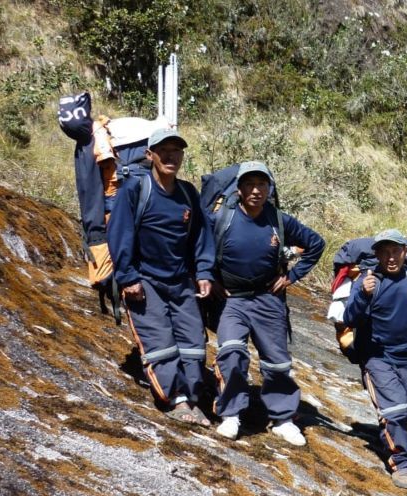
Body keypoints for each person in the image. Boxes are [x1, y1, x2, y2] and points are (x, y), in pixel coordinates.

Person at [210, 161, 326, 446]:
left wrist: (292, 276)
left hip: (268, 299)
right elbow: (198, 247)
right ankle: (231, 414)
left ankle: (283, 419)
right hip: (232, 300)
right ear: (238, 189)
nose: (255, 190)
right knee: (232, 354)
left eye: (262, 184)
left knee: (277, 364)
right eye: (249, 184)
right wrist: (208, 278)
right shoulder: (221, 218)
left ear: (269, 188)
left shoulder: (279, 220)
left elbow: (316, 244)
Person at [107, 128, 214, 426]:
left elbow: (201, 237)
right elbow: (120, 233)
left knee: (193, 342)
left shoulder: (187, 193)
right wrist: (128, 277)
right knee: (160, 342)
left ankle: (192, 399)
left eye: (176, 151)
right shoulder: (136, 190)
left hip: (180, 282)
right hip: (145, 281)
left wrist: (204, 271)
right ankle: (177, 400)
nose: (170, 156)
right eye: (163, 150)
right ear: (149, 154)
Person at [344, 229, 407, 490]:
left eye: (395, 251)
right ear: (377, 254)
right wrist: (363, 296)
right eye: (385, 252)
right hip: (378, 358)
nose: (391, 257)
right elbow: (349, 318)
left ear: (405, 252)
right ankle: (402, 463)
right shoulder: (368, 281)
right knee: (395, 413)